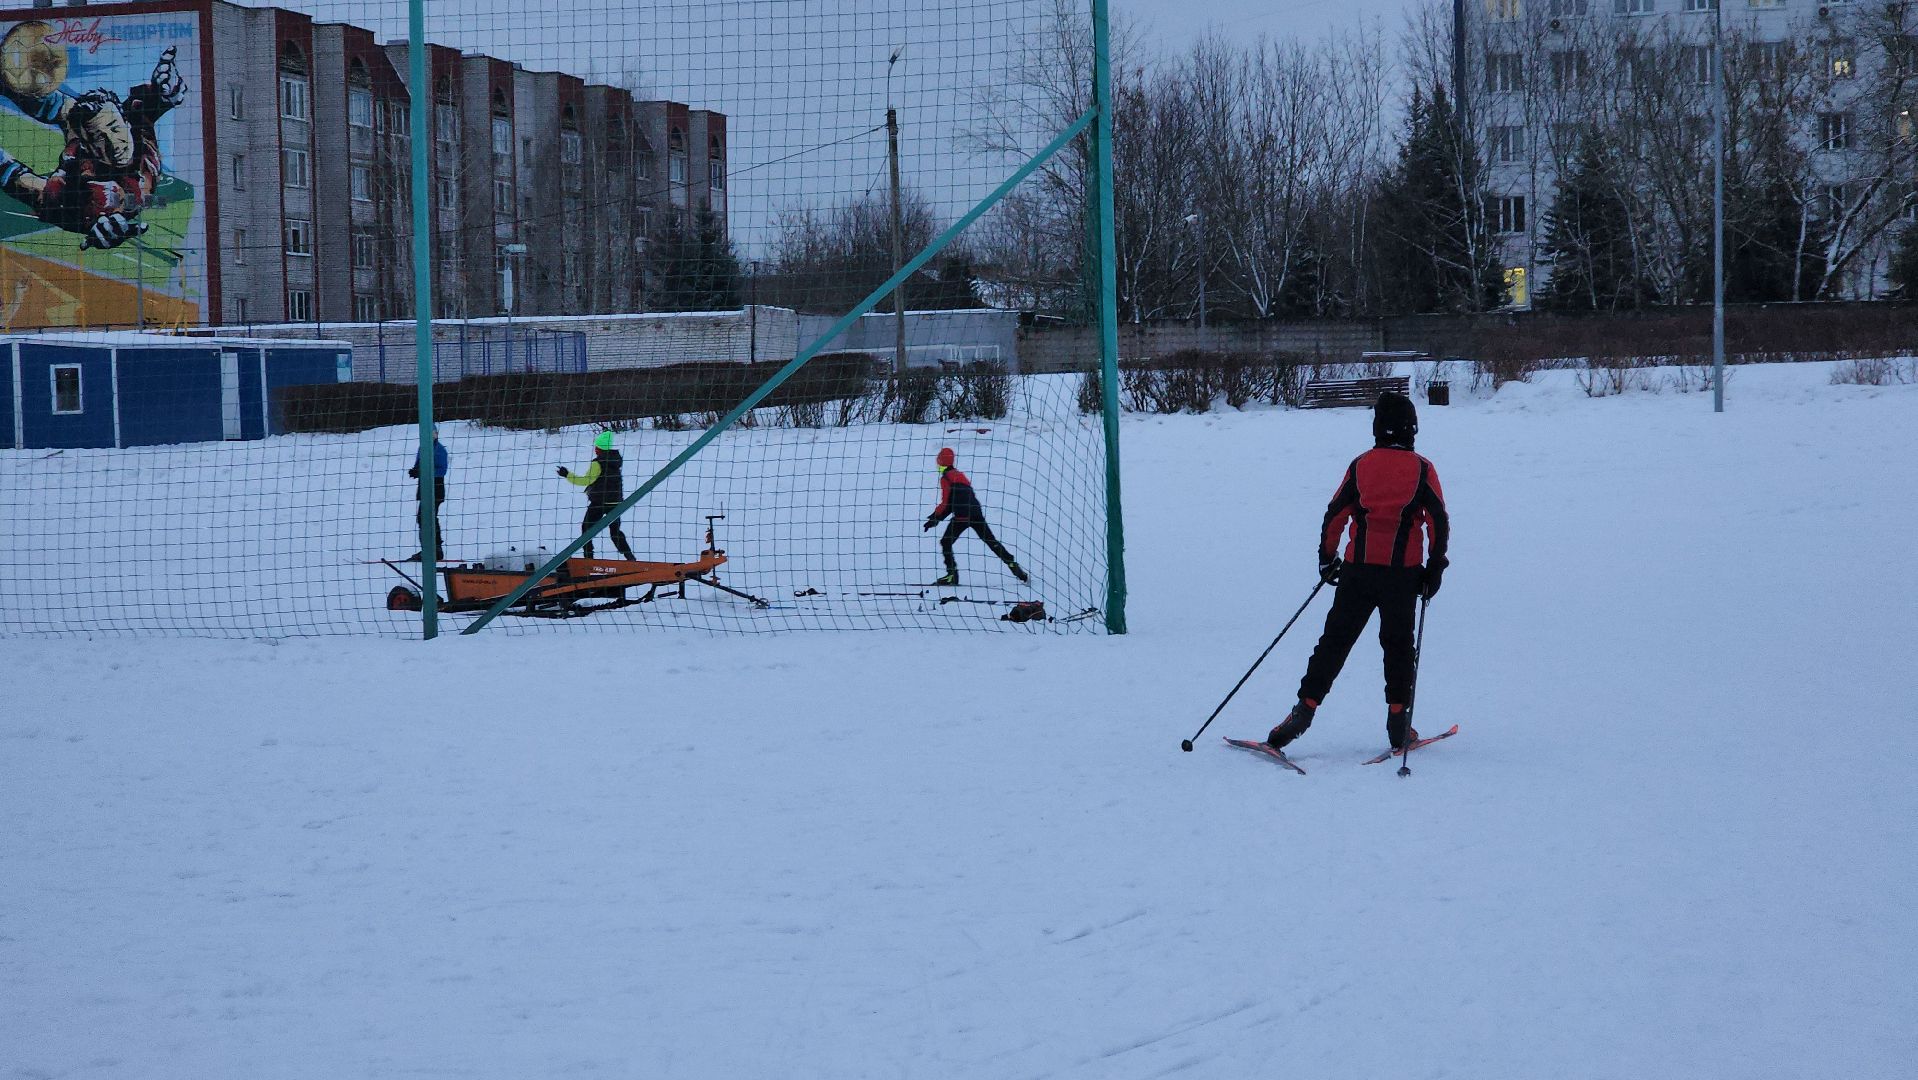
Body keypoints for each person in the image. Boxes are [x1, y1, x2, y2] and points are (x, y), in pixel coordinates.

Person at [1267, 391, 1449, 753]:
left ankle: (1302, 712)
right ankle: (1399, 724)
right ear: (1412, 429)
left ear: (1377, 428)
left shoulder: (1360, 465)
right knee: (1398, 647)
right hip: (1403, 576)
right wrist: (1435, 568)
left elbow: (1336, 513)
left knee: (1334, 642)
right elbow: (1439, 522)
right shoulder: (1423, 469)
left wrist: (1326, 557)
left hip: (1357, 572)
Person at [923, 447, 1027, 586]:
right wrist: (936, 518)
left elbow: (946, 502)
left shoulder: (946, 478)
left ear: (940, 462)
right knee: (991, 541)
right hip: (976, 513)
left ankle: (951, 575)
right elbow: (955, 501)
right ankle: (1012, 564)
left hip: (962, 517)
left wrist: (934, 519)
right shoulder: (960, 475)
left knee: (945, 542)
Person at [558, 430, 636, 560]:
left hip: (599, 503)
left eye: (597, 447)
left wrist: (567, 475)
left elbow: (586, 481)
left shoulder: (598, 463)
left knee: (586, 529)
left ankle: (588, 558)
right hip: (615, 503)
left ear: (599, 448)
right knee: (615, 532)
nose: (595, 449)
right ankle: (630, 557)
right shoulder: (615, 461)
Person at [405, 428, 448, 562]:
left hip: (435, 487)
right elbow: (420, 464)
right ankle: (431, 549)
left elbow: (441, 470)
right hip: (424, 487)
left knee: (427, 518)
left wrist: (423, 472)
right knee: (424, 518)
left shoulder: (439, 450)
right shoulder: (423, 448)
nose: (431, 435)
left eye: (433, 432)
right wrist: (415, 470)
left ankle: (433, 550)